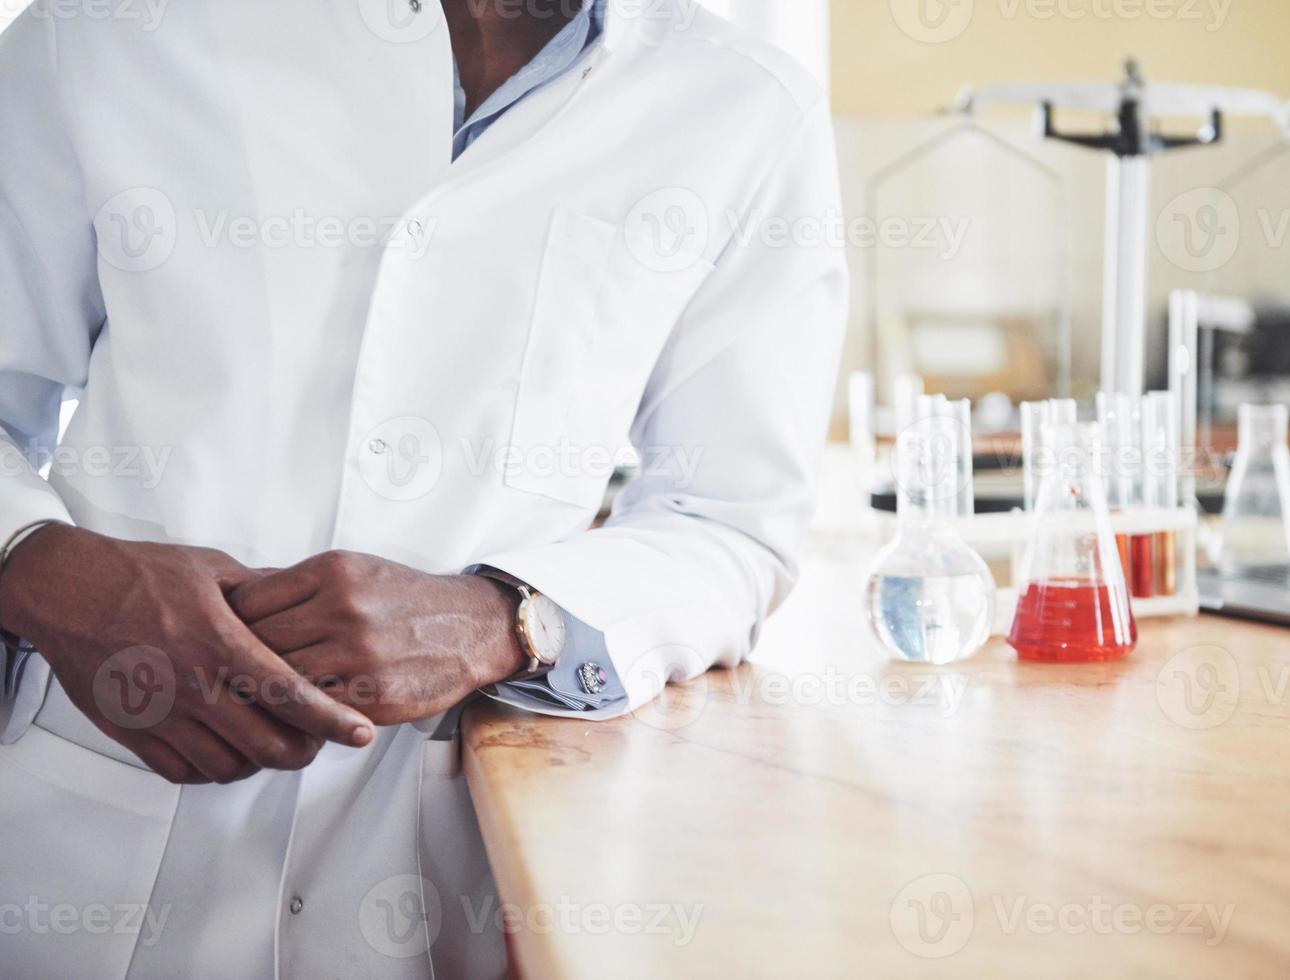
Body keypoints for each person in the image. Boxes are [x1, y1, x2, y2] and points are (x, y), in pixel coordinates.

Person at [0, 0, 847, 974]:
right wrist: (41, 565)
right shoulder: (106, 31)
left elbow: (734, 522)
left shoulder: (741, 105)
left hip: (435, 853)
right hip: (83, 832)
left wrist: (506, 614)